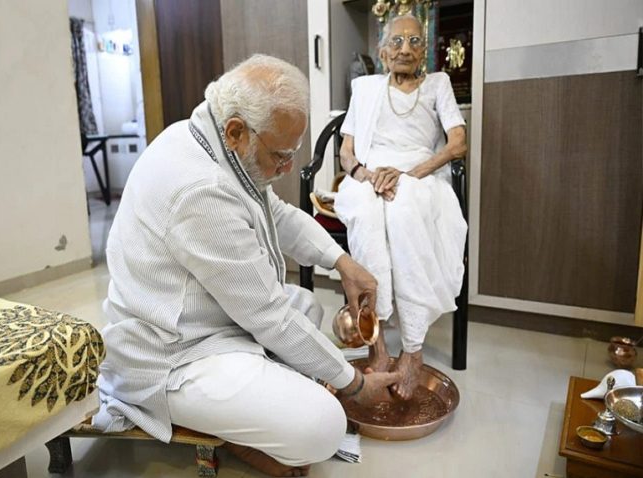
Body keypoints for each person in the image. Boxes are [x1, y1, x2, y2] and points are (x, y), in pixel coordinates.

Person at [92, 54, 400, 477]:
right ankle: (230, 432)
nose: (289, 167)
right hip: (175, 354)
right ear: (237, 131)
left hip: (210, 317)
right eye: (282, 154)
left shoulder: (209, 140)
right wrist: (356, 384)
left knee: (307, 307)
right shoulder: (201, 189)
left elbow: (278, 214)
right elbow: (269, 317)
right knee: (324, 425)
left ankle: (244, 420)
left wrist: (342, 262)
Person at [334, 13, 468, 401]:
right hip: (369, 173)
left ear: (424, 50)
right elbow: (346, 152)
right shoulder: (365, 88)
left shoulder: (438, 84)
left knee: (405, 211)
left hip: (419, 174)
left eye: (413, 42)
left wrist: (408, 174)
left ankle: (412, 346)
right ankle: (375, 339)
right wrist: (365, 173)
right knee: (367, 214)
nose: (404, 49)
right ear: (382, 50)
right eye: (396, 42)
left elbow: (457, 143)